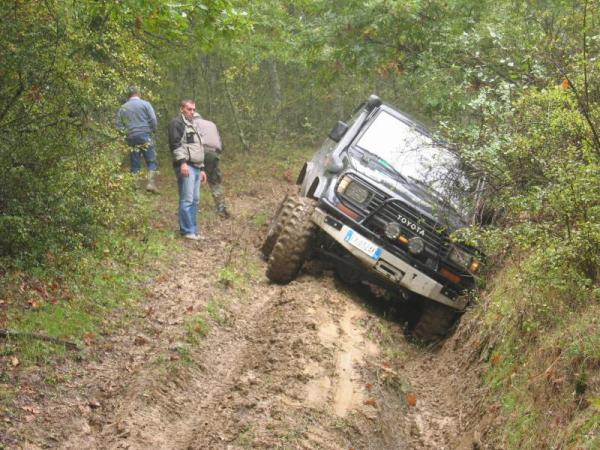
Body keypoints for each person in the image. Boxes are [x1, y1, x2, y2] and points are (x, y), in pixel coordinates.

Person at [168, 99, 207, 240]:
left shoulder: (193, 124)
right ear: (182, 109)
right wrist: (183, 163)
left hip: (196, 167)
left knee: (195, 200)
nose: (192, 112)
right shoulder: (177, 123)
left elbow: (198, 147)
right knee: (187, 199)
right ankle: (186, 231)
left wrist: (202, 168)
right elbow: (175, 144)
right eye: (189, 109)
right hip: (186, 166)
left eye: (193, 109)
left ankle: (194, 230)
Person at [116, 86, 159, 193]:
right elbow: (153, 119)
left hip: (131, 136)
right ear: (138, 93)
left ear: (128, 95)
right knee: (151, 160)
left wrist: (125, 134)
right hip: (145, 134)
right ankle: (151, 184)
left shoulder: (123, 108)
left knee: (135, 162)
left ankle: (135, 186)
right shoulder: (145, 104)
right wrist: (153, 130)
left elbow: (119, 125)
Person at [192, 112, 229, 218]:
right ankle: (221, 207)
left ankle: (193, 208)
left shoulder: (192, 123)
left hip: (199, 151)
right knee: (214, 181)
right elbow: (219, 142)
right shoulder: (211, 124)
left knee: (194, 179)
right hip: (213, 153)